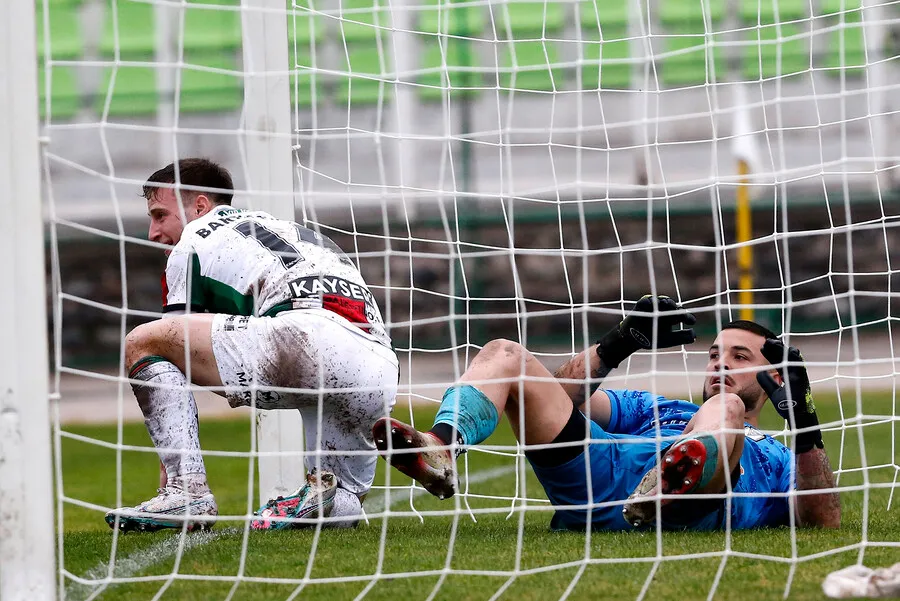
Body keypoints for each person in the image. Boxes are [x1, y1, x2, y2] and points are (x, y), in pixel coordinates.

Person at [374, 296, 841, 531]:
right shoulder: (659, 408)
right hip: (602, 476)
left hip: (698, 507)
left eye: (740, 357)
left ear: (775, 375)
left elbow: (823, 520)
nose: (720, 363)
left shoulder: (779, 456)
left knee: (727, 406)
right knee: (505, 353)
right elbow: (555, 396)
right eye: (715, 354)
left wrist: (804, 423)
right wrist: (615, 346)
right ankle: (440, 446)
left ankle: (673, 479)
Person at [105, 158, 399, 532]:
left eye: (160, 215)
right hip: (378, 364)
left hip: (304, 344)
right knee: (340, 499)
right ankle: (326, 500)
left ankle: (185, 491)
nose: (153, 232)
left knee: (141, 342)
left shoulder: (192, 242)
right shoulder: (285, 226)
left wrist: (171, 467)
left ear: (199, 206)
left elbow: (172, 340)